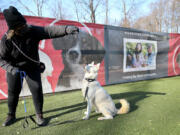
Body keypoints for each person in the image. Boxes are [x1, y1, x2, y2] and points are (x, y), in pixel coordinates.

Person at [0, 6, 79, 126]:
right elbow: (1, 59)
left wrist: (66, 29)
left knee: (37, 89)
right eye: (21, 26)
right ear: (14, 28)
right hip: (14, 68)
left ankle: (39, 115)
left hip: (32, 66)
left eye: (24, 24)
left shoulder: (32, 30)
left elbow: (49, 31)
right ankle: (11, 115)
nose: (24, 27)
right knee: (13, 92)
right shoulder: (6, 40)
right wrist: (11, 69)